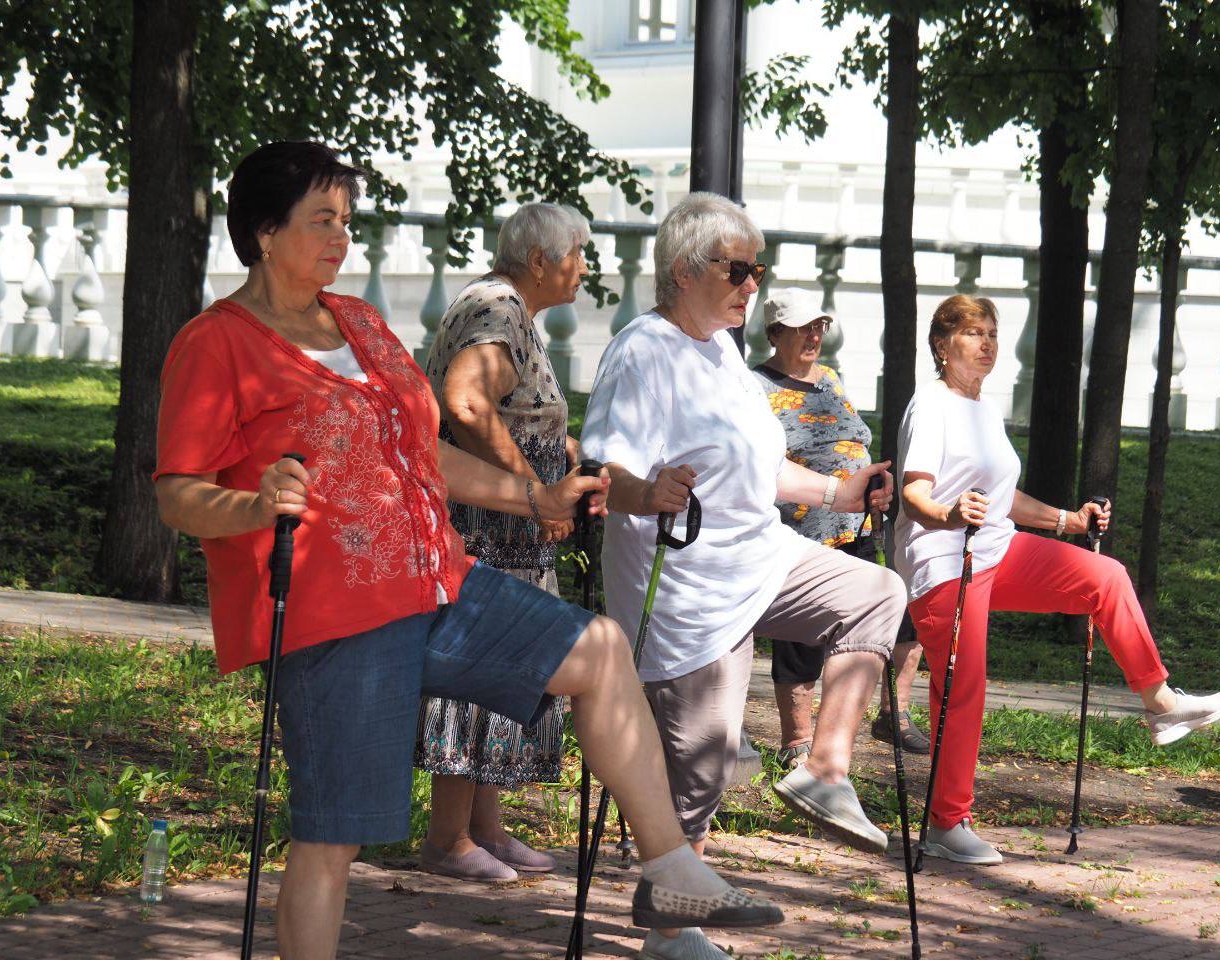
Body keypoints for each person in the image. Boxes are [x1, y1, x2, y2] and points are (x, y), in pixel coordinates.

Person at [153, 142, 783, 960]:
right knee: (333, 836)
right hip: (330, 615)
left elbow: (424, 452)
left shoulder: (361, 324)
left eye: (347, 220)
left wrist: (534, 495)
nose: (342, 237)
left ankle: (669, 870)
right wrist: (253, 503)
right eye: (321, 221)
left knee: (598, 649)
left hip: (438, 584)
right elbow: (178, 493)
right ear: (265, 233)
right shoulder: (218, 343)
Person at [581, 192, 906, 960]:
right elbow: (603, 470)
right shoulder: (642, 351)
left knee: (876, 592)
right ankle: (672, 929)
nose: (753, 284)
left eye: (758, 269)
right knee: (702, 765)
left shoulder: (722, 350)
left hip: (761, 556)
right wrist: (646, 491)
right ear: (685, 270)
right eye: (738, 269)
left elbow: (761, 469)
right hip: (687, 585)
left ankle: (823, 768)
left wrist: (841, 492)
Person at [895, 293, 1220, 866]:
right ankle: (946, 823)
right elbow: (914, 494)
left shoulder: (983, 408)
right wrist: (949, 514)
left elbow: (1003, 498)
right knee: (964, 688)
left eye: (992, 334)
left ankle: (1159, 703)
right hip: (943, 562)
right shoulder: (931, 405)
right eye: (973, 333)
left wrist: (1069, 521)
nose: (987, 344)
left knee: (1105, 577)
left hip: (996, 549)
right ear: (941, 344)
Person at [414, 202, 589, 881]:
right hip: (490, 531)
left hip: (508, 531)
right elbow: (465, 402)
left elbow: (508, 407)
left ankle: (483, 828)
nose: (585, 267)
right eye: (577, 252)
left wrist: (555, 446)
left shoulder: (506, 308)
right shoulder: (499, 307)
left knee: (505, 670)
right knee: (481, 665)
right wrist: (534, 488)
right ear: (539, 261)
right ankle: (448, 838)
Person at [752, 289, 930, 766]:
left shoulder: (830, 378)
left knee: (897, 611)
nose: (814, 336)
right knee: (802, 637)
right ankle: (796, 741)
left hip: (859, 523)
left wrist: (875, 486)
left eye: (819, 326)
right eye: (802, 328)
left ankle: (894, 713)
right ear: (775, 333)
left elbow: (852, 441)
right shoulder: (755, 387)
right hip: (802, 529)